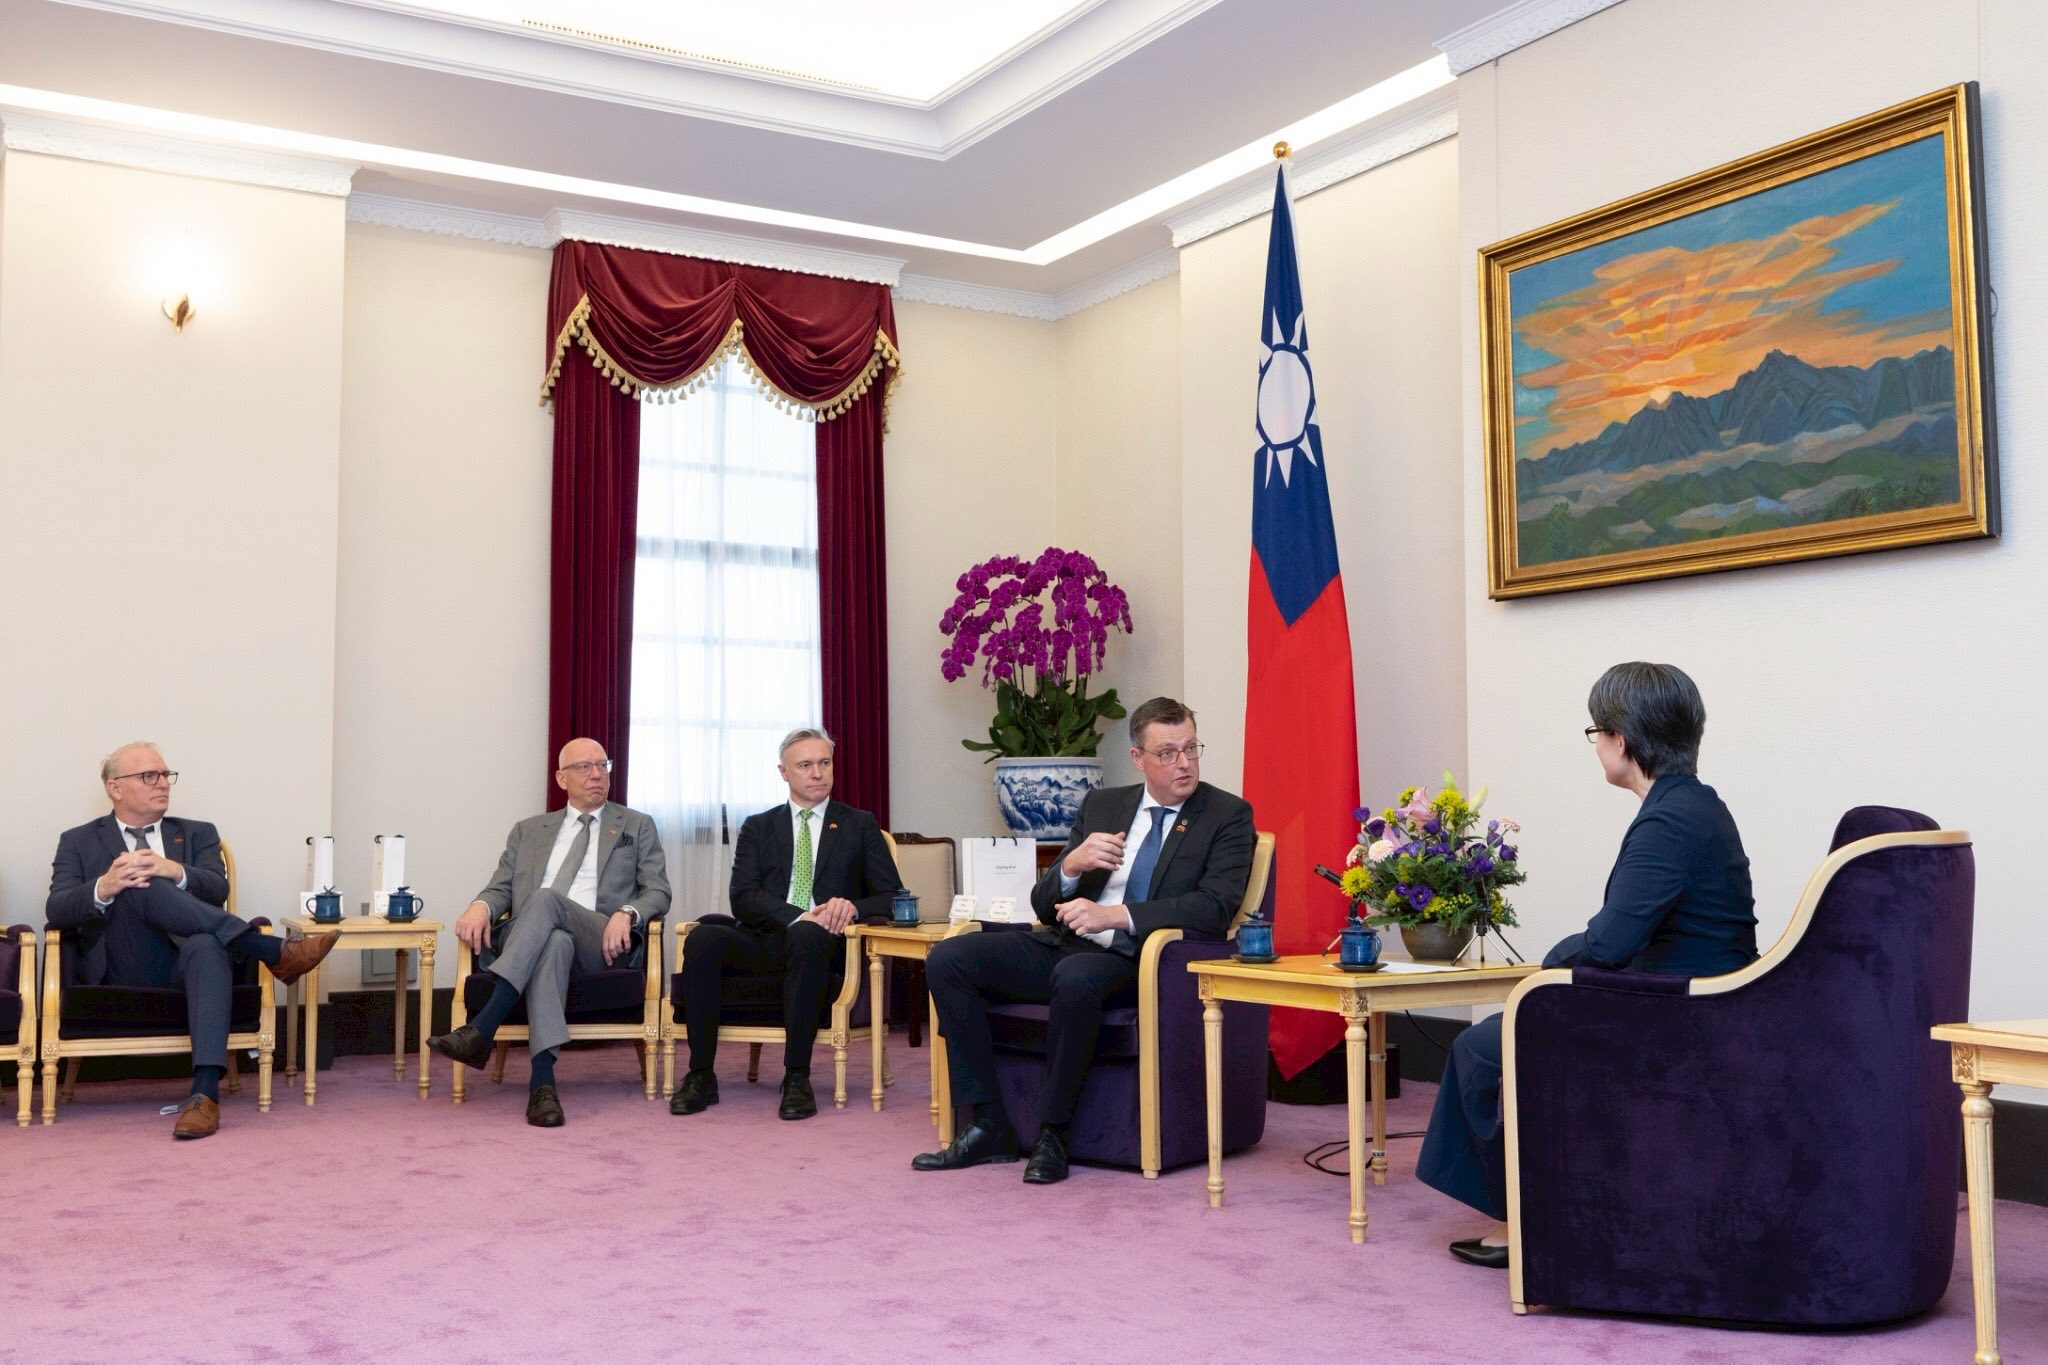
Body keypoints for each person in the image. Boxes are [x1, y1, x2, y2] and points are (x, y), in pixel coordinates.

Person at [1417, 662, 1758, 1267]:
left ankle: (1526, 1221)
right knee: (1505, 1032)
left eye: (1596, 732)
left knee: (1481, 1049)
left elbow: (1610, 942)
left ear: (1621, 740)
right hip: (1697, 998)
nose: (1596, 745)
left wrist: (1544, 970)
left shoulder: (1668, 820)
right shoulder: (1693, 806)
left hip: (1682, 1015)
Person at [914, 696, 1254, 1184]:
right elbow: (1042, 904)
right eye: (1167, 753)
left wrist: (1114, 915)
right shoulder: (1104, 805)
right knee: (949, 958)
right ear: (1138, 757)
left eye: (1190, 748)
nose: (1184, 763)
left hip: (1139, 959)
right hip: (1066, 942)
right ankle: (988, 1125)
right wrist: (1071, 867)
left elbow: (1214, 907)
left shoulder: (1226, 814)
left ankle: (1053, 1133)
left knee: (1076, 976)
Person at [45, 742, 340, 1139]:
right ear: (115, 788)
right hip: (122, 962)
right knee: (136, 879)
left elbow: (217, 888)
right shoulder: (78, 841)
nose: (163, 783)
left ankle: (204, 1096)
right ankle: (267, 950)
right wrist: (106, 885)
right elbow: (57, 908)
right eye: (149, 776)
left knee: (204, 943)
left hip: (188, 966)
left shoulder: (198, 833)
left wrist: (173, 870)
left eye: (166, 775)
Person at [426, 738, 670, 1127]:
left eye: (602, 765)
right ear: (561, 778)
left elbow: (658, 890)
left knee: (545, 900)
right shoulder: (528, 831)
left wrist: (627, 912)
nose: (596, 774)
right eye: (584, 767)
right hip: (539, 939)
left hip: (599, 939)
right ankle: (542, 1086)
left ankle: (483, 1027)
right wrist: (480, 906)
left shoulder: (637, 825)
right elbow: (500, 887)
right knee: (554, 940)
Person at [670, 726, 901, 1121]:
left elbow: (893, 897)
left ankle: (796, 1076)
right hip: (765, 939)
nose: (818, 773)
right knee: (703, 939)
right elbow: (743, 896)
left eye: (824, 763)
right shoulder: (759, 827)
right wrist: (796, 915)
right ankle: (701, 1075)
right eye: (806, 765)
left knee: (808, 934)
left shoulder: (858, 824)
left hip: (823, 946)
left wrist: (851, 906)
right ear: (784, 772)